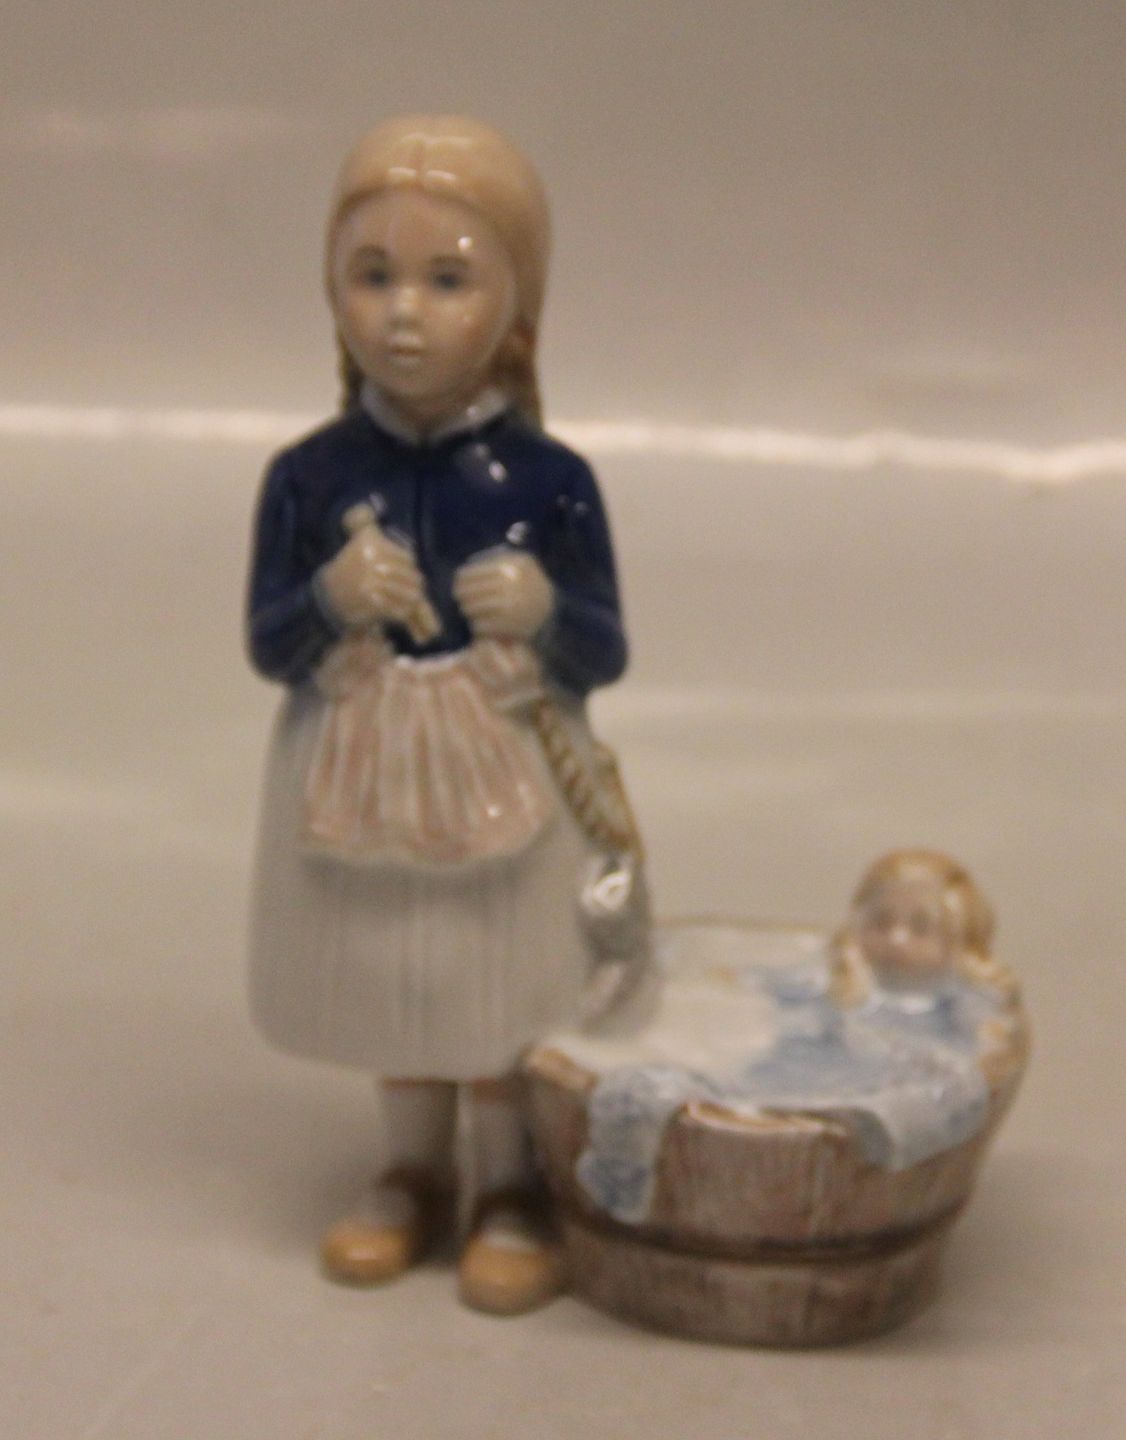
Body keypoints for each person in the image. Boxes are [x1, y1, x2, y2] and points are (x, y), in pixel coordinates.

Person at [245, 115, 643, 1315]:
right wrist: (328, 597)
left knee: (492, 977)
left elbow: (605, 650)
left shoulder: (552, 484)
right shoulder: (307, 478)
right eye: (373, 276)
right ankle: (408, 1170)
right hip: (359, 761)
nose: (404, 314)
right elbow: (269, 644)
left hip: (504, 765)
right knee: (391, 979)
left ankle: (508, 1185)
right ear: (332, 295)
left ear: (516, 310)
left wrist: (546, 611)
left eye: (447, 278)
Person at [829, 850, 1027, 1086]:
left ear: (959, 938)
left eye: (920, 928)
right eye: (881, 923)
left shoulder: (975, 1016)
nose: (897, 940)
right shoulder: (835, 1000)